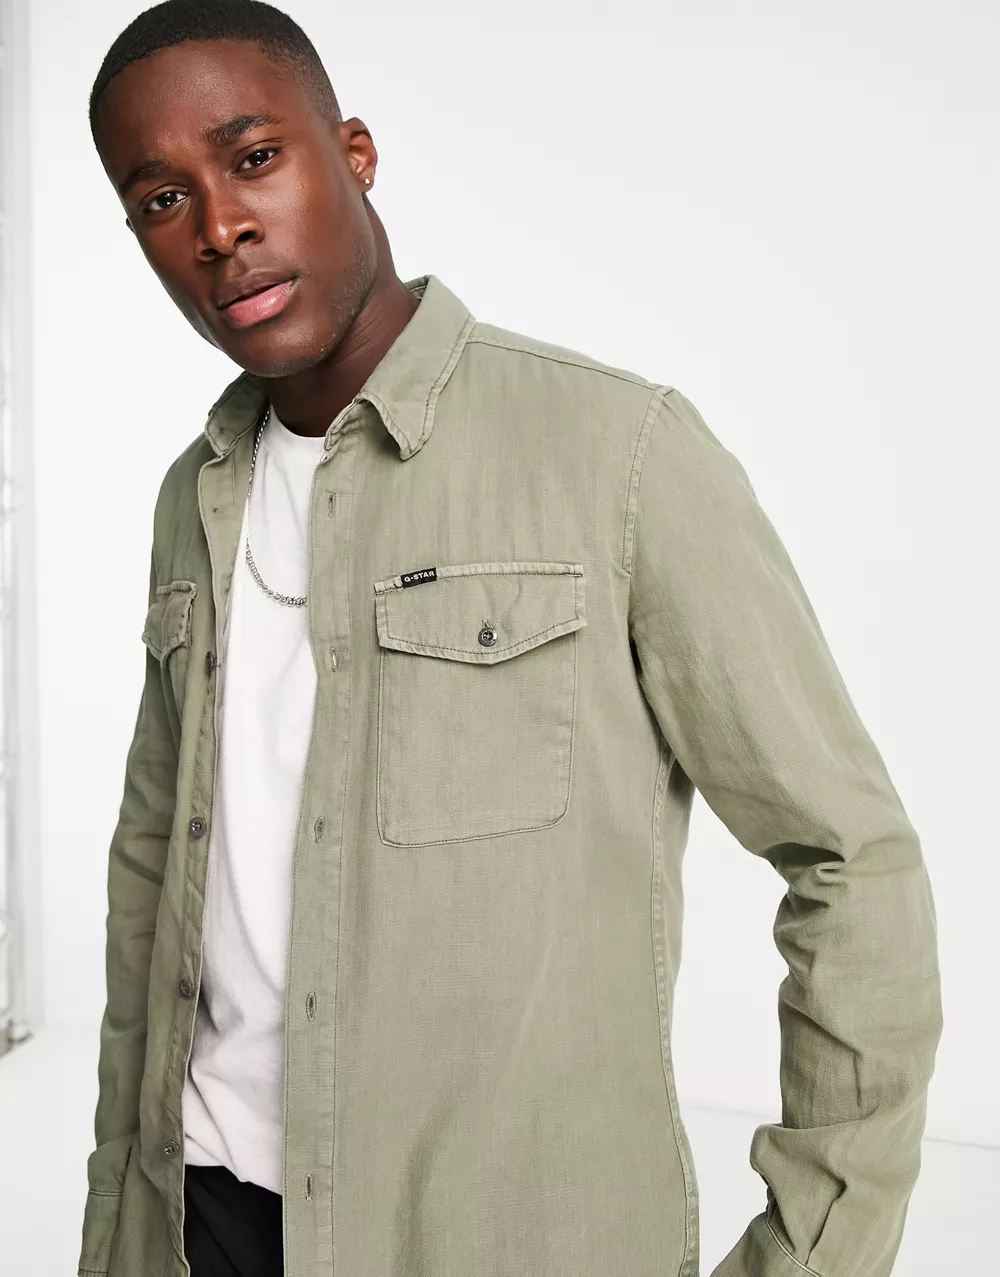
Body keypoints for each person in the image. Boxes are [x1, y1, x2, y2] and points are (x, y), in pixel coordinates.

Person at [80, 2, 942, 1275]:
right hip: (199, 1218)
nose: (219, 228)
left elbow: (848, 858)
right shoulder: (190, 496)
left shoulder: (619, 453)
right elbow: (153, 878)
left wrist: (813, 1251)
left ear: (354, 153)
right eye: (161, 199)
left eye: (253, 156)